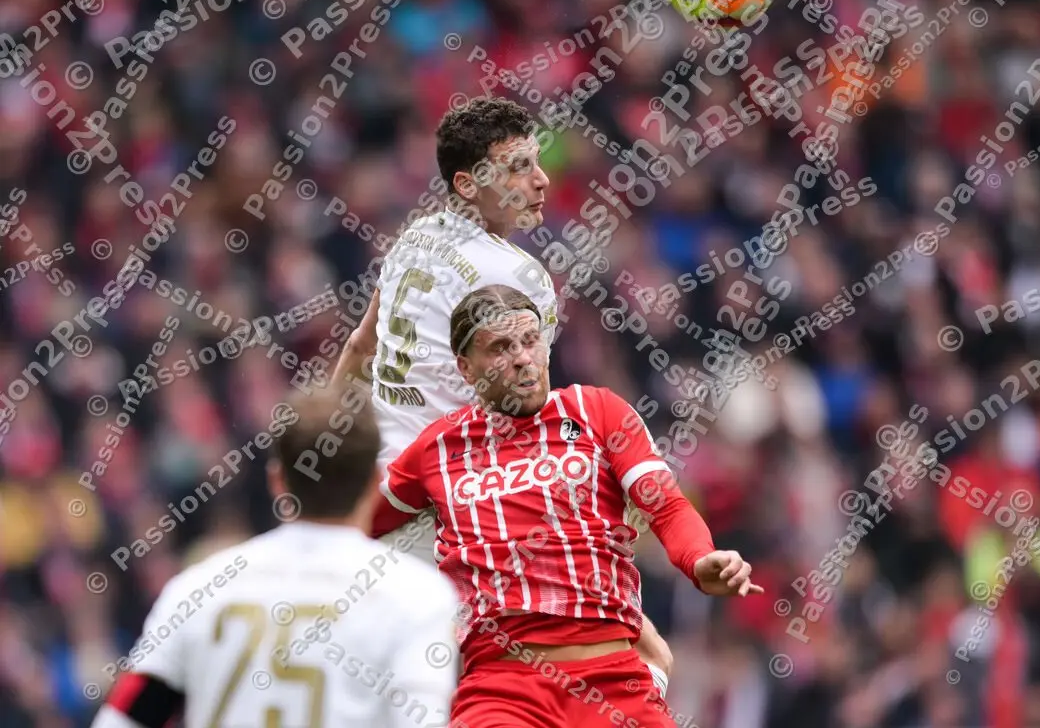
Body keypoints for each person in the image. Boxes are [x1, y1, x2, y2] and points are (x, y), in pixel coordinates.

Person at [332, 95, 676, 696]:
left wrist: (324, 450)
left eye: (535, 162)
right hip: (443, 509)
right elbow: (523, 413)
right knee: (628, 656)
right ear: (468, 183)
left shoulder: (413, 241)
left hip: (379, 492)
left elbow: (360, 348)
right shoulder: (517, 278)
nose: (540, 179)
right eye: (517, 166)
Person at [371, 285, 763, 728]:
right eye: (501, 347)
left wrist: (699, 559)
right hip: (501, 687)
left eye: (530, 340)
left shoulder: (598, 411)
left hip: (613, 680)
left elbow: (666, 505)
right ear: (466, 367)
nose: (523, 358)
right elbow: (347, 520)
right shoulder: (437, 449)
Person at [89, 387, 460, 728]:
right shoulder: (417, 598)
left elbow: (122, 719)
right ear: (374, 482)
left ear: (277, 481)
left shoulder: (196, 589)